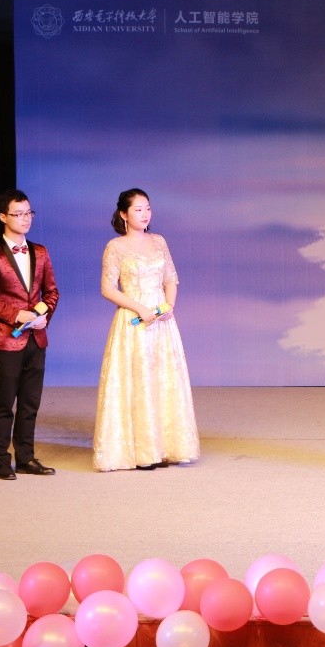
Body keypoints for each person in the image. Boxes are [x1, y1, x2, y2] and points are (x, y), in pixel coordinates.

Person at [93, 188, 200, 471]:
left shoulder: (158, 241)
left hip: (162, 322)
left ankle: (166, 448)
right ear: (123, 214)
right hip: (134, 321)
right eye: (138, 209)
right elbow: (107, 288)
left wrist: (169, 306)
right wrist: (140, 308)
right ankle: (141, 451)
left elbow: (171, 279)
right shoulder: (115, 247)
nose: (145, 214)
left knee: (164, 379)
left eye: (148, 208)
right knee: (137, 381)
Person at [0, 189, 60, 480]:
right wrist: (15, 314)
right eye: (18, 214)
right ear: (3, 217)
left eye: (28, 213)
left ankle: (26, 457)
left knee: (30, 403)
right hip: (6, 339)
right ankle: (1, 460)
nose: (25, 219)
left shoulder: (41, 251)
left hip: (37, 338)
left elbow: (52, 292)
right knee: (5, 402)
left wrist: (44, 316)